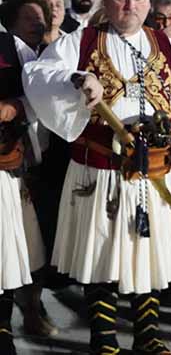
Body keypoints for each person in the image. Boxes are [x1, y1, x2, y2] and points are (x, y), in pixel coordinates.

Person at [23, 0, 171, 355]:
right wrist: (77, 79)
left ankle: (147, 336)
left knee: (151, 255)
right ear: (106, 1)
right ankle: (104, 339)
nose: (130, 5)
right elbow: (38, 74)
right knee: (101, 253)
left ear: (148, 3)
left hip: (157, 172)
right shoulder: (81, 41)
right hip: (100, 170)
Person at [0, 23, 41, 355]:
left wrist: (16, 104)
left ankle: (2, 328)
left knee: (3, 252)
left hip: (2, 164)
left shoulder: (13, 47)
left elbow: (41, 93)